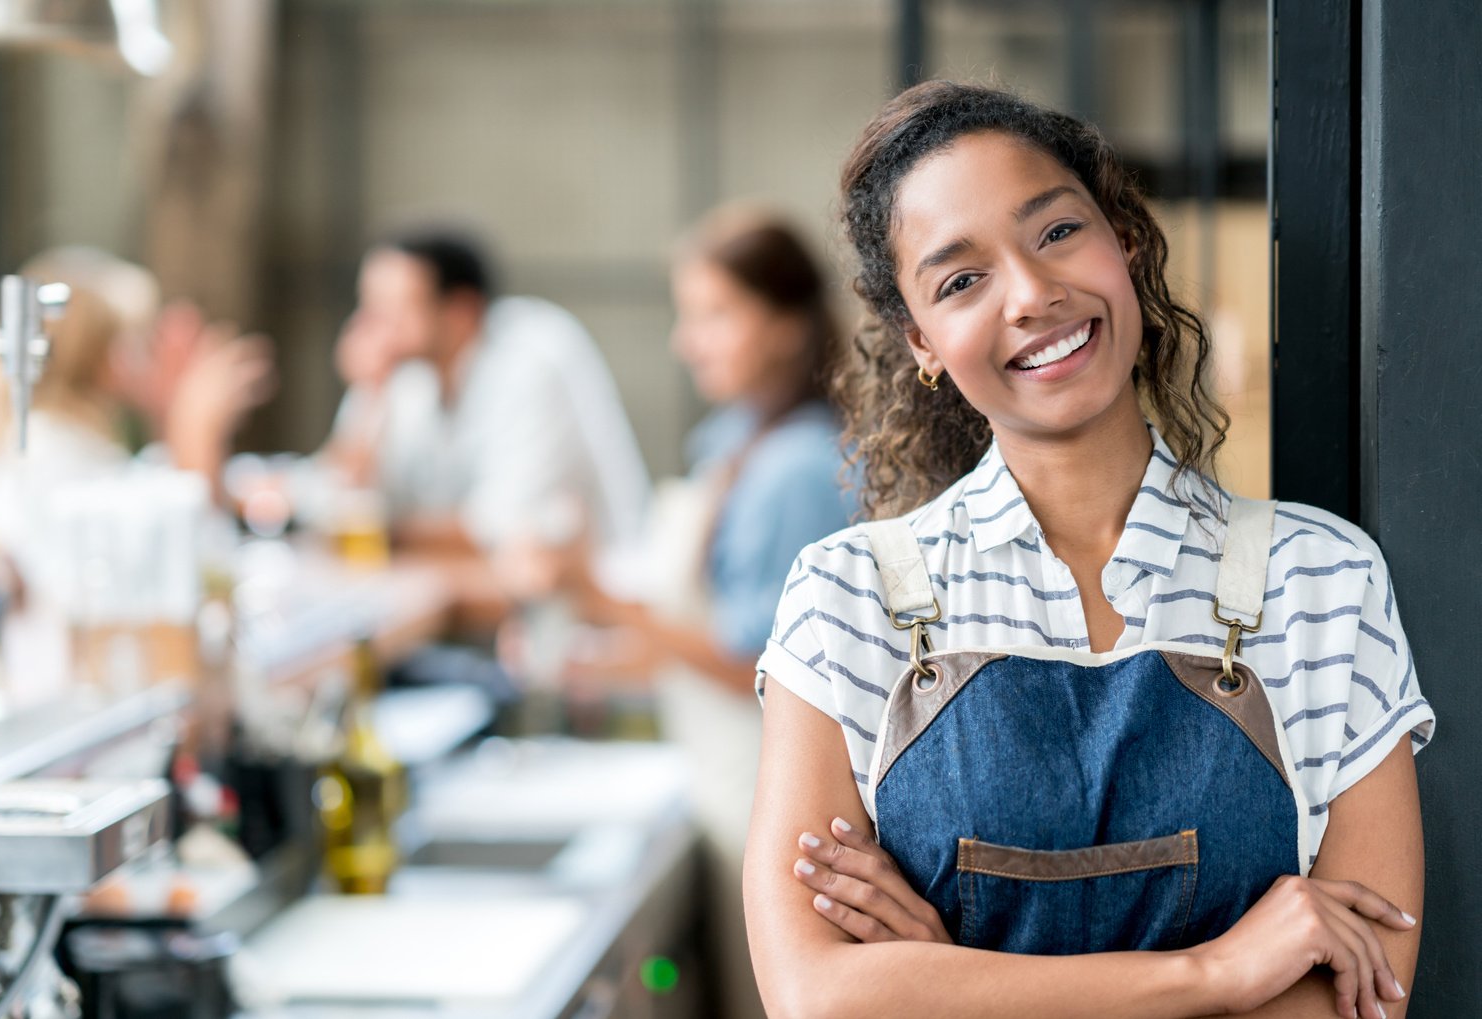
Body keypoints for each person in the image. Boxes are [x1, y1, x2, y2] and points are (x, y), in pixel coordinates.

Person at [744, 82, 1433, 1019]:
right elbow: (818, 998)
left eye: (1058, 232)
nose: (1033, 294)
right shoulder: (846, 598)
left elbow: (1360, 1002)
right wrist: (1217, 972)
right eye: (960, 280)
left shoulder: (1321, 581)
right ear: (922, 341)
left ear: (1126, 240)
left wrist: (951, 984)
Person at [552, 207, 853, 1019]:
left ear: (788, 326)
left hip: (773, 795)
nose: (690, 342)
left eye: (716, 315)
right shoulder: (735, 443)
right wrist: (597, 656)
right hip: (726, 785)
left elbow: (758, 666)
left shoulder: (795, 468)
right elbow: (712, 629)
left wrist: (596, 595)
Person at [323, 229, 649, 565]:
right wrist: (369, 394)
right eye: (368, 306)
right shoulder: (409, 376)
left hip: (589, 595)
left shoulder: (533, 359)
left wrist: (366, 529)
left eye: (392, 308)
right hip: (481, 581)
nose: (368, 326)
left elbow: (497, 529)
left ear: (461, 311)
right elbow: (346, 494)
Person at [0, 246, 276, 584]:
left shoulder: (80, 444)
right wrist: (194, 431)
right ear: (104, 357)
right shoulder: (46, 451)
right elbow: (191, 577)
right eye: (141, 339)